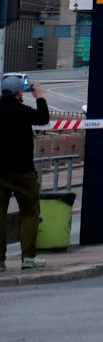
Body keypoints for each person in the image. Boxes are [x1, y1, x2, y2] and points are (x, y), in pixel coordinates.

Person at [0, 73, 51, 270]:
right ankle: (28, 257)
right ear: (19, 92)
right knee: (30, 212)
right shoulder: (23, 111)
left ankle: (0, 261)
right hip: (23, 172)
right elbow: (43, 118)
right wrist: (39, 97)